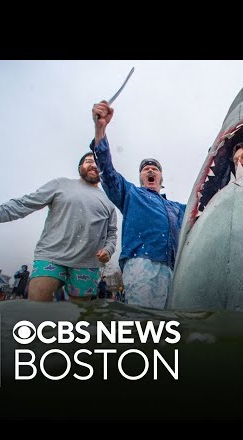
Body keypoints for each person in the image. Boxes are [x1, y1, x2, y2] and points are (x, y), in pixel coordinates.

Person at [0, 152, 118, 302]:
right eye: (89, 161)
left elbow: (112, 233)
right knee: (37, 305)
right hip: (52, 256)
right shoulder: (61, 184)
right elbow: (25, 203)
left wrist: (108, 250)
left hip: (87, 264)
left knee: (78, 316)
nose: (94, 165)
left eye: (98, 163)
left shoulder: (109, 201)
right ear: (80, 168)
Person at [91, 100, 186, 309]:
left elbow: (203, 208)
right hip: (140, 262)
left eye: (155, 168)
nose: (150, 170)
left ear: (161, 177)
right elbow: (107, 171)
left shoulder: (177, 208)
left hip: (172, 268)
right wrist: (100, 131)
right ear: (141, 176)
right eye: (146, 169)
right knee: (144, 320)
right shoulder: (131, 193)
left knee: (167, 323)